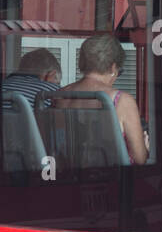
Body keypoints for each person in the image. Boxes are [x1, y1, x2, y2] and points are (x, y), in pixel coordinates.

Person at [56, 33, 149, 165]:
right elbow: (140, 159)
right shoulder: (122, 100)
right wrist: (145, 147)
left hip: (67, 177)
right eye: (118, 71)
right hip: (111, 181)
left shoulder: (59, 96)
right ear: (112, 67)